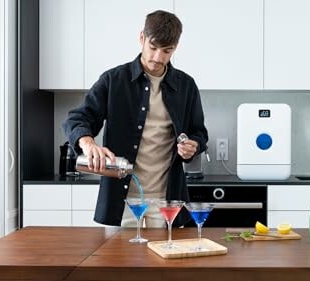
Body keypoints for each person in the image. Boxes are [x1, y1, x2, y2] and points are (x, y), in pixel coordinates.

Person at [63, 10, 208, 227]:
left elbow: (199, 133)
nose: (158, 57)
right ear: (142, 38)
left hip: (167, 202)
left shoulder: (186, 86)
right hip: (123, 203)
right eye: (153, 47)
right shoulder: (113, 80)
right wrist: (87, 142)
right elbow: (77, 117)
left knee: (166, 259)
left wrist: (193, 146)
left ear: (175, 48)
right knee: (118, 261)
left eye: (166, 51)